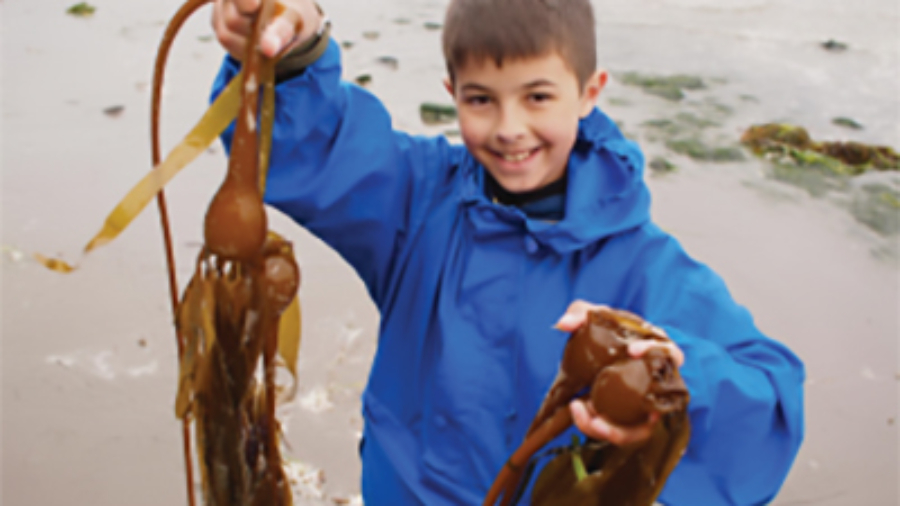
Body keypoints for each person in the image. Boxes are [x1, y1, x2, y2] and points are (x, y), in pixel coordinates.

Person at [210, 0, 805, 504]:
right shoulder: (417, 202)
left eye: (538, 97)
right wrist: (293, 50)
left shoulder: (643, 267)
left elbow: (768, 403)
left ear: (589, 92)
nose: (509, 128)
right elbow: (313, 148)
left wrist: (675, 374)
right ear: (452, 94)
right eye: (481, 100)